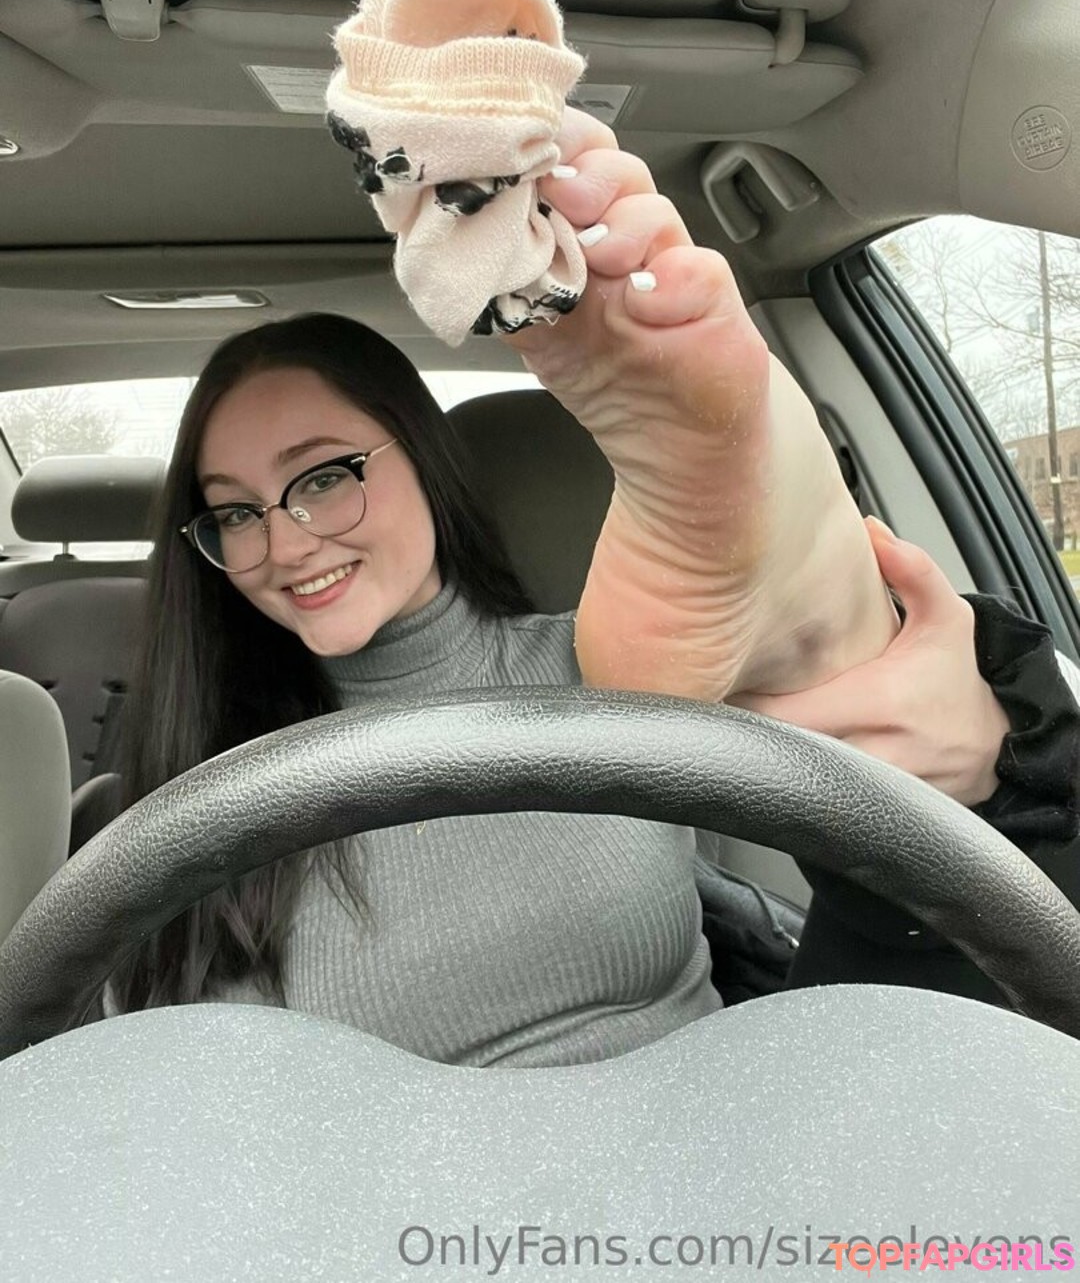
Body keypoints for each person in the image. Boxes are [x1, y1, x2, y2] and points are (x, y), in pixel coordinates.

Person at [98, 127, 1077, 1062]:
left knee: (944, 863)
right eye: (236, 512)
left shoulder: (610, 662)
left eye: (322, 477)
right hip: (357, 1180)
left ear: (426, 459)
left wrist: (983, 757)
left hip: (721, 1148)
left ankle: (831, 640)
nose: (282, 541)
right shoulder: (201, 769)